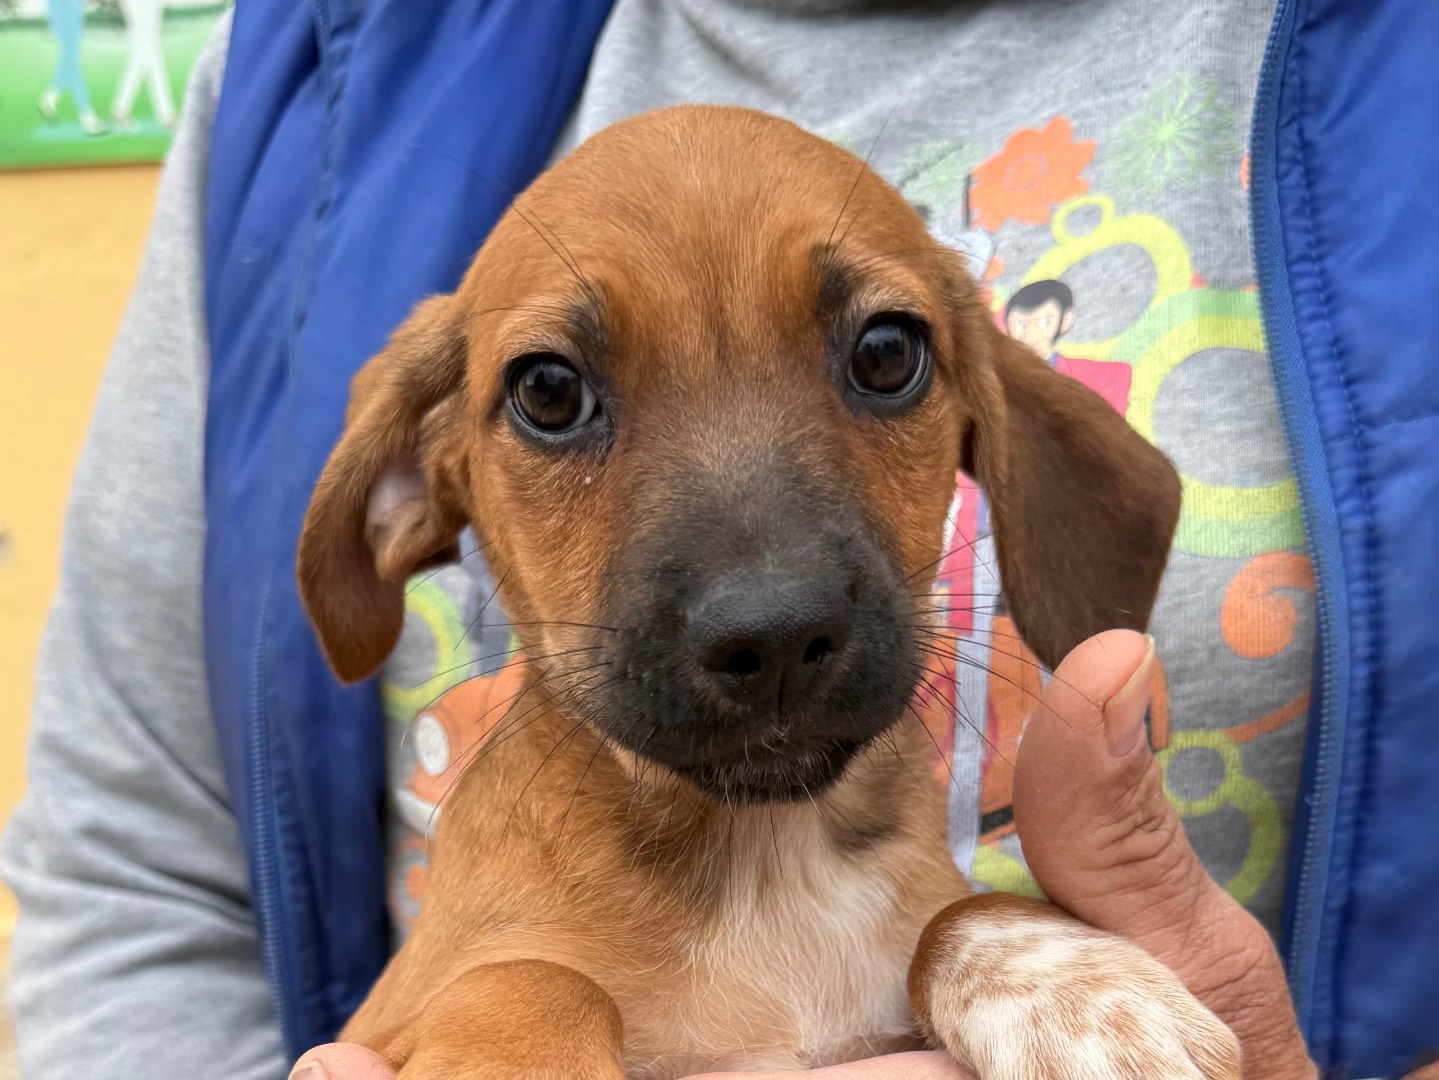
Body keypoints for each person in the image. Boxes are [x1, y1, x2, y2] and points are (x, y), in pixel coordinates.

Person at [3, 2, 1435, 1079]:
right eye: (557, 398)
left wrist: (983, 951)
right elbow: (129, 884)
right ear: (408, 496)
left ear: (999, 432)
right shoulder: (324, 72)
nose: (762, 599)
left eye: (881, 359)